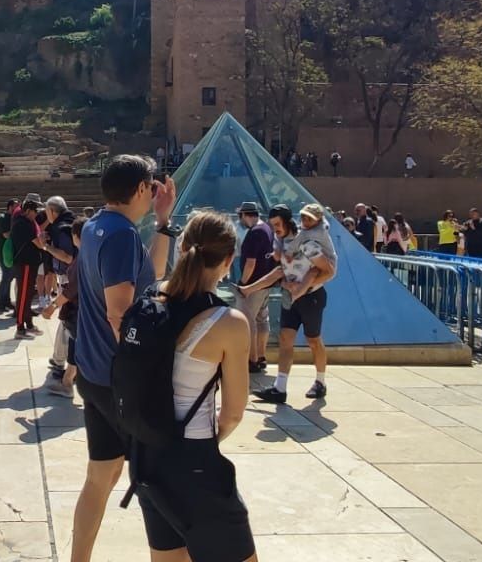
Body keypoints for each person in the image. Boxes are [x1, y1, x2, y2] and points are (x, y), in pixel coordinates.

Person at [129, 210, 257, 562]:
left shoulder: (150, 299)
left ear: (182, 247)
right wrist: (208, 442)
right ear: (229, 260)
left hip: (146, 458)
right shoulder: (228, 323)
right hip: (194, 463)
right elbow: (232, 413)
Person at [68, 154, 175, 562]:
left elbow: (156, 274)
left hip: (95, 376)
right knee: (154, 481)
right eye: (152, 187)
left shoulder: (99, 226)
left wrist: (165, 223)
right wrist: (145, 367)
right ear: (142, 188)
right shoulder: (121, 236)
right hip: (120, 381)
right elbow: (120, 311)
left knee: (102, 475)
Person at [242, 203, 338, 405]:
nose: (275, 228)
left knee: (313, 340)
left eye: (277, 224)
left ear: (286, 222)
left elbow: (328, 271)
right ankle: (280, 388)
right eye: (272, 224)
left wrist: (305, 286)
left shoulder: (309, 243)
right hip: (290, 298)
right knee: (286, 340)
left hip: (311, 298)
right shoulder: (281, 242)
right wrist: (284, 283)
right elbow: (281, 270)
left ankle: (320, 382)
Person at [41, 222, 84, 398]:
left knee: (76, 346)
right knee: (77, 345)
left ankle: (67, 383)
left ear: (76, 237)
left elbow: (71, 289)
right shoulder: (92, 255)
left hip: (79, 310)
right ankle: (68, 381)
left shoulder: (82, 259)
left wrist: (52, 306)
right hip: (86, 310)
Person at [234, 202, 277, 374]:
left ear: (245, 215)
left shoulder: (254, 233)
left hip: (253, 286)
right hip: (266, 283)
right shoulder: (267, 229)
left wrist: (243, 284)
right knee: (262, 320)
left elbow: (251, 263)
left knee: (248, 320)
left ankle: (251, 360)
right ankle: (261, 356)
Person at [9, 199, 46, 339]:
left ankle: (29, 324)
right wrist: (44, 244)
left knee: (28, 294)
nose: (37, 214)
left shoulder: (26, 222)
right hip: (25, 264)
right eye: (36, 211)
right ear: (29, 210)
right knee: (23, 296)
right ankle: (20, 328)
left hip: (30, 263)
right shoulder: (23, 223)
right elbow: (37, 243)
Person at [0, 199, 19, 313]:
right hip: (4, 252)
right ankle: (0, 303)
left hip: (12, 253)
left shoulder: (15, 218)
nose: (18, 208)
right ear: (9, 207)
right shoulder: (3, 218)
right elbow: (6, 235)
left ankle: (6, 301)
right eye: (15, 206)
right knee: (6, 278)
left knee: (9, 278)